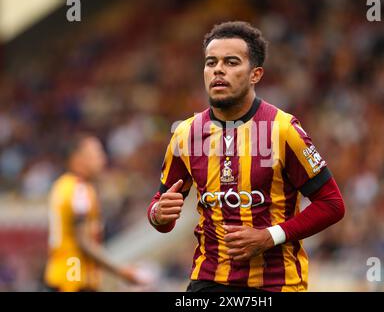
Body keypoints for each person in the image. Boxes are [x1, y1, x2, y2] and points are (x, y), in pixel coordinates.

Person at [147, 21, 345, 292]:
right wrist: (158, 214)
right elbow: (162, 212)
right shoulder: (185, 134)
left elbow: (332, 204)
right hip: (208, 280)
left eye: (231, 62)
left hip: (276, 284)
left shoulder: (283, 129)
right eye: (210, 62)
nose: (218, 69)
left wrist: (269, 236)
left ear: (255, 74)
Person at [44, 133, 144, 291]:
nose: (102, 159)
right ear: (77, 158)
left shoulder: (62, 185)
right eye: (96, 154)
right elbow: (84, 242)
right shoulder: (79, 189)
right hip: (73, 279)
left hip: (61, 274)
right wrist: (121, 271)